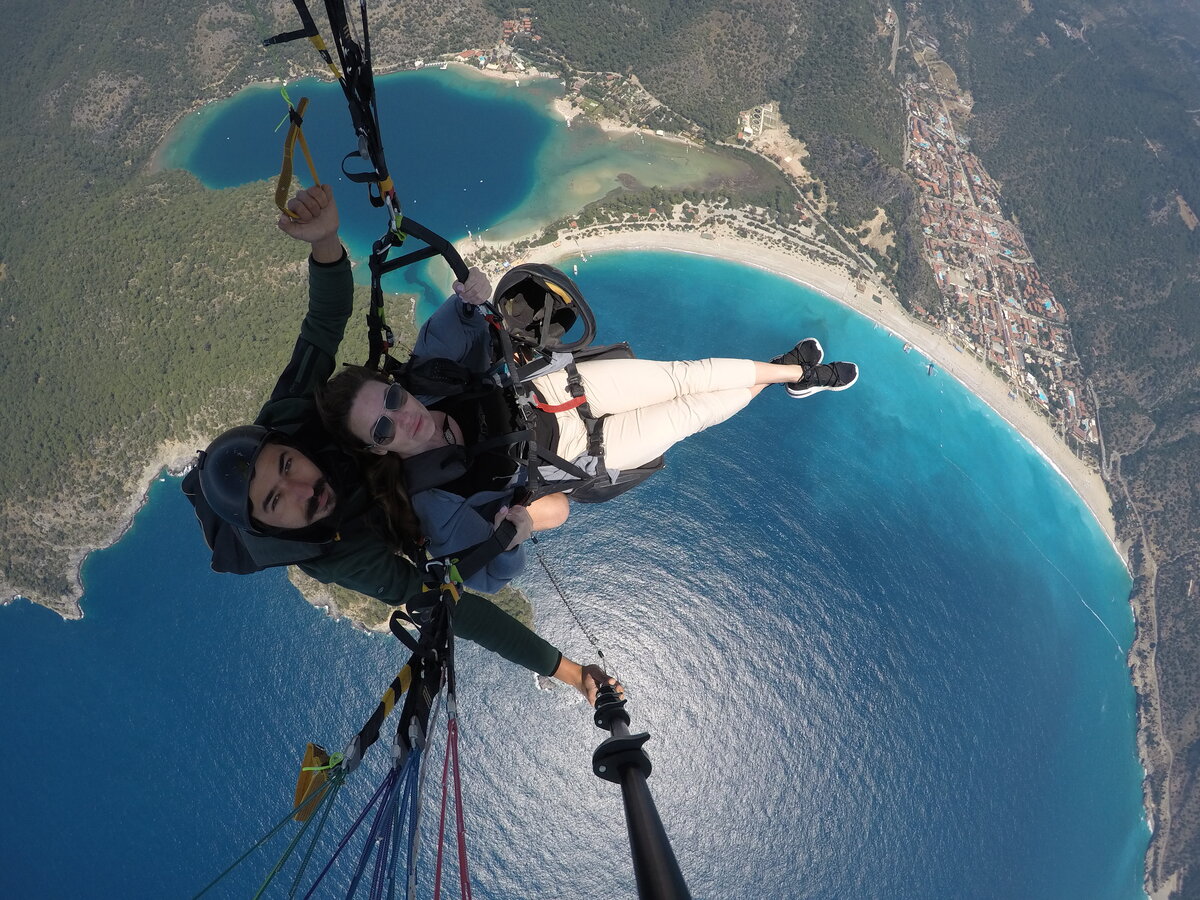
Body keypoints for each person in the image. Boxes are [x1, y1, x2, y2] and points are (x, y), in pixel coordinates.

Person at [182, 185, 617, 704]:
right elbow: (445, 604)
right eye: (277, 500)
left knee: (456, 394)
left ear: (287, 444)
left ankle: (496, 359)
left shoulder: (289, 417)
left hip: (394, 426)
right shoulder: (331, 555)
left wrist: (324, 242)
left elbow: (322, 324)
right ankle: (532, 495)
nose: (303, 485)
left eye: (288, 464)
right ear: (265, 523)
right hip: (414, 499)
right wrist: (569, 673)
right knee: (557, 509)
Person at [316, 267, 859, 593]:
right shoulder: (436, 503)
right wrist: (521, 525)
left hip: (565, 390)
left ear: (395, 383)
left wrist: (472, 293)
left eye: (390, 397)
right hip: (579, 455)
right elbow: (520, 540)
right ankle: (789, 374)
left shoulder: (427, 375)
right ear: (375, 449)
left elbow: (461, 316)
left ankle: (796, 373)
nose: (402, 415)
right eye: (384, 428)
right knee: (695, 413)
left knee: (685, 376)